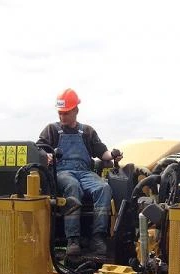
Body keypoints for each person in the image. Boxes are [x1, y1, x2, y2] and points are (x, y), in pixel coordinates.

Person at [37, 88, 123, 256]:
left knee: (103, 188)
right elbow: (38, 149)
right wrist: (45, 155)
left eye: (66, 113)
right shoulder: (52, 130)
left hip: (85, 172)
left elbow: (102, 153)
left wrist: (113, 156)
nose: (62, 117)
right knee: (72, 186)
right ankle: (73, 239)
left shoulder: (87, 132)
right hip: (62, 172)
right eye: (60, 113)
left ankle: (98, 237)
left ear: (76, 110)